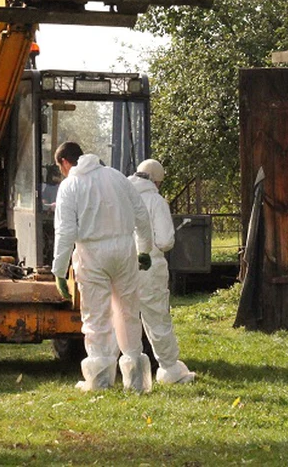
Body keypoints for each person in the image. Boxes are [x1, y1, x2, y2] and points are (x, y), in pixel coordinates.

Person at [52, 141, 155, 393]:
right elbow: (141, 214)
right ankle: (136, 381)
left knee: (96, 316)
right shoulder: (117, 177)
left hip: (91, 253)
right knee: (128, 311)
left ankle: (99, 381)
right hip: (124, 249)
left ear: (65, 163)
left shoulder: (70, 186)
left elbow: (66, 231)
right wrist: (145, 249)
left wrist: (59, 270)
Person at [128, 159, 196, 384]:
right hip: (149, 266)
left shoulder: (121, 196)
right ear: (156, 182)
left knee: (124, 317)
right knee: (156, 318)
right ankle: (169, 369)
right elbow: (165, 240)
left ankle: (124, 370)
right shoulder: (156, 201)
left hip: (122, 265)